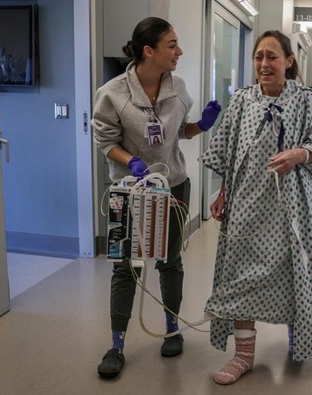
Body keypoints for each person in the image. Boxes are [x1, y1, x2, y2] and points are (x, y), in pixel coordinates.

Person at [200, 30, 312, 385]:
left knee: (297, 273)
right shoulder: (243, 101)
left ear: (288, 61)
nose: (264, 64)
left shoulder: (305, 100)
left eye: (272, 57)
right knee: (240, 277)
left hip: (295, 207)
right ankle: (243, 355)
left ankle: (302, 340)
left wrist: (300, 154)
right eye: (258, 57)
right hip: (247, 206)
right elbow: (229, 154)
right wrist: (222, 193)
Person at [92, 16, 222, 379]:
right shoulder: (113, 93)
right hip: (127, 190)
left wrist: (203, 125)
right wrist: (130, 161)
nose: (179, 52)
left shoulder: (177, 87)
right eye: (172, 45)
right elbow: (105, 142)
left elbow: (182, 131)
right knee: (125, 267)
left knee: (169, 262)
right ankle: (116, 344)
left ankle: (172, 327)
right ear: (149, 51)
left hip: (173, 187)